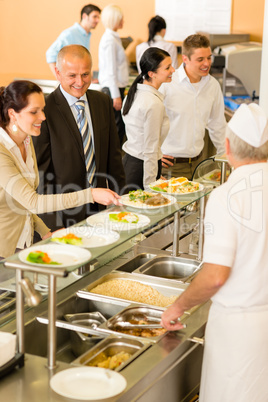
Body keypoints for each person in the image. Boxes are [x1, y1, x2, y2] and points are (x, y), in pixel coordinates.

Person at [161, 103, 268, 401]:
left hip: (239, 331)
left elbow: (215, 277)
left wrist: (177, 307)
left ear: (228, 147)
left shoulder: (225, 197)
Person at [0, 80, 121, 259]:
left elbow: (22, 204)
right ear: (13, 114)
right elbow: (32, 202)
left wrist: (45, 231)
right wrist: (91, 194)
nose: (43, 117)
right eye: (34, 112)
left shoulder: (26, 140)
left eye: (42, 109)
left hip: (23, 240)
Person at [33, 45, 125, 232]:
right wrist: (52, 225)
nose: (79, 81)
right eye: (72, 75)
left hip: (101, 208)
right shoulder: (44, 111)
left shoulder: (102, 102)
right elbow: (41, 175)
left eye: (85, 74)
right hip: (64, 213)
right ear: (58, 73)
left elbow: (114, 159)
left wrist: (123, 202)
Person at [160, 34, 226, 180]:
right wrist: (153, 155)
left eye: (209, 57)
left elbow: (218, 125)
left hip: (200, 164)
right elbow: (139, 116)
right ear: (185, 59)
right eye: (200, 59)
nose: (207, 63)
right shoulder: (167, 83)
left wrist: (226, 158)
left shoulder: (213, 85)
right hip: (170, 166)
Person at [122, 47, 175, 190]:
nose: (173, 70)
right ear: (152, 74)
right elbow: (150, 149)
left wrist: (157, 176)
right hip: (142, 169)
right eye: (167, 67)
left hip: (131, 164)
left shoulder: (134, 94)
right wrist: (151, 185)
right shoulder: (153, 103)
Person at [98, 4, 129, 147]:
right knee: (116, 131)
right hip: (112, 90)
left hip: (115, 89)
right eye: (121, 18)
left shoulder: (114, 38)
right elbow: (110, 70)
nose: (123, 20)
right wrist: (116, 95)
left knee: (118, 130)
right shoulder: (109, 40)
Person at [46, 4, 101, 77]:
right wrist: (60, 78)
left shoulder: (87, 35)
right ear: (84, 16)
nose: (98, 20)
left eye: (98, 17)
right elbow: (50, 53)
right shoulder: (70, 33)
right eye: (94, 17)